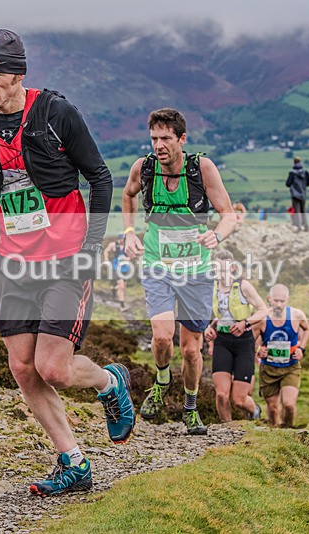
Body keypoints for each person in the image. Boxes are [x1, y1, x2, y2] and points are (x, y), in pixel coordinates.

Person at [0, 29, 134, 497]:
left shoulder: (55, 114)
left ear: (18, 74)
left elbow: (101, 178)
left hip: (65, 257)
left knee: (54, 369)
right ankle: (74, 461)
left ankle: (110, 381)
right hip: (14, 261)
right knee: (23, 368)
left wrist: (91, 247)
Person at [122, 107, 237, 434]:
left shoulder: (202, 169)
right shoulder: (143, 168)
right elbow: (128, 196)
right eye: (154, 138)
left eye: (166, 139)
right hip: (158, 264)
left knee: (190, 350)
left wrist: (216, 234)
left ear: (182, 139)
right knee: (161, 337)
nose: (159, 145)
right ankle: (161, 380)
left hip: (197, 271)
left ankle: (190, 407)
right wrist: (129, 233)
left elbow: (228, 214)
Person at [203, 249, 268, 422]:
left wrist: (245, 323)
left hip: (244, 342)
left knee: (238, 399)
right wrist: (208, 327)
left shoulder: (243, 286)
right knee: (222, 395)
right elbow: (213, 313)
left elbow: (263, 310)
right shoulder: (212, 287)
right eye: (217, 270)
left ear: (232, 268)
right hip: (222, 341)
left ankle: (255, 411)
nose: (220, 274)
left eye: (223, 270)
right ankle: (227, 430)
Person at [253, 284, 309, 427]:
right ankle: (275, 437)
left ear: (287, 300)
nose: (279, 304)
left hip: (290, 367)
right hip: (268, 369)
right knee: (273, 409)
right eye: (276, 300)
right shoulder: (262, 318)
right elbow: (251, 341)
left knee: (289, 405)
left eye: (282, 301)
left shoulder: (297, 315)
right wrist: (258, 350)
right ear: (269, 299)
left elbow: (307, 328)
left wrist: (301, 349)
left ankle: (288, 432)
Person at [104, 233, 130, 311]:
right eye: (123, 238)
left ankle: (114, 289)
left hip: (125, 268)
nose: (124, 240)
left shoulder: (127, 245)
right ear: (119, 238)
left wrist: (128, 258)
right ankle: (122, 306)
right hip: (116, 267)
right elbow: (106, 251)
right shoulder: (113, 245)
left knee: (123, 286)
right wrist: (106, 259)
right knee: (121, 286)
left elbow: (132, 254)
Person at [286, 156, 309, 231]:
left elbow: (287, 184)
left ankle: (299, 226)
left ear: (294, 162)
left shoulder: (292, 173)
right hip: (303, 193)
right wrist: (303, 185)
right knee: (303, 210)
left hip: (294, 194)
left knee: (296, 210)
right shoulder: (305, 172)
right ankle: (306, 226)